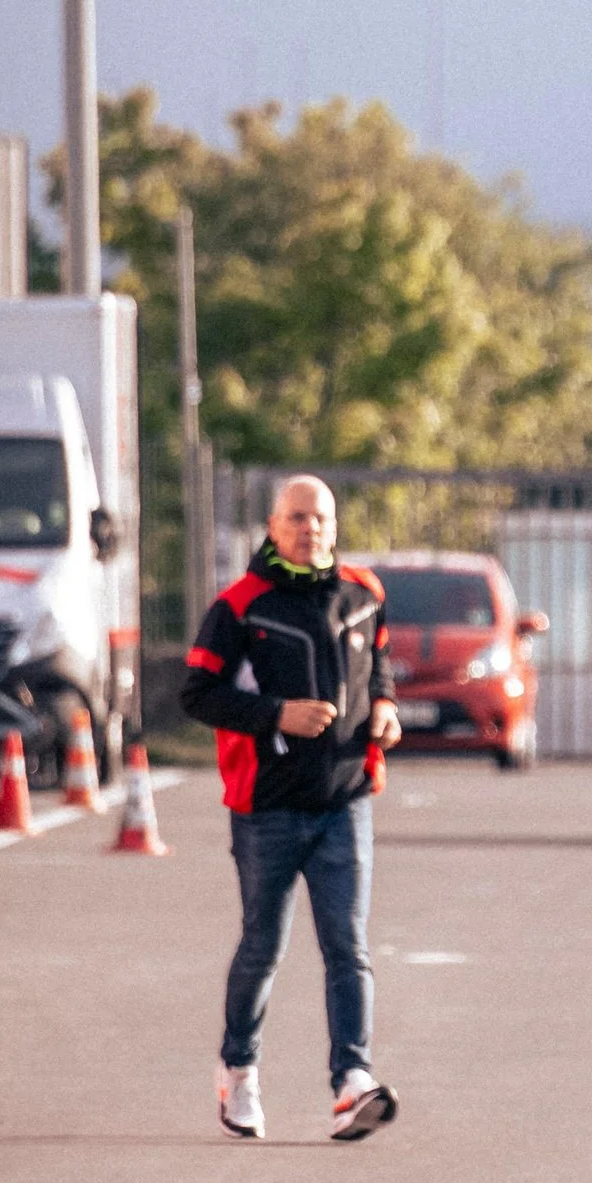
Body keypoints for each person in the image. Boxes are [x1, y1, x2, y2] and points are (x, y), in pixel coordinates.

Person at [180, 474, 403, 1143]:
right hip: (267, 807)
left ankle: (352, 1082)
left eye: (321, 519)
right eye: (297, 518)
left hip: (346, 798)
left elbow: (379, 667)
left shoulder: (364, 595)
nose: (311, 530)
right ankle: (239, 1071)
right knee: (262, 947)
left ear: (335, 526)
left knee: (348, 947)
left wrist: (385, 707)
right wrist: (279, 714)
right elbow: (197, 693)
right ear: (273, 526)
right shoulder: (240, 606)